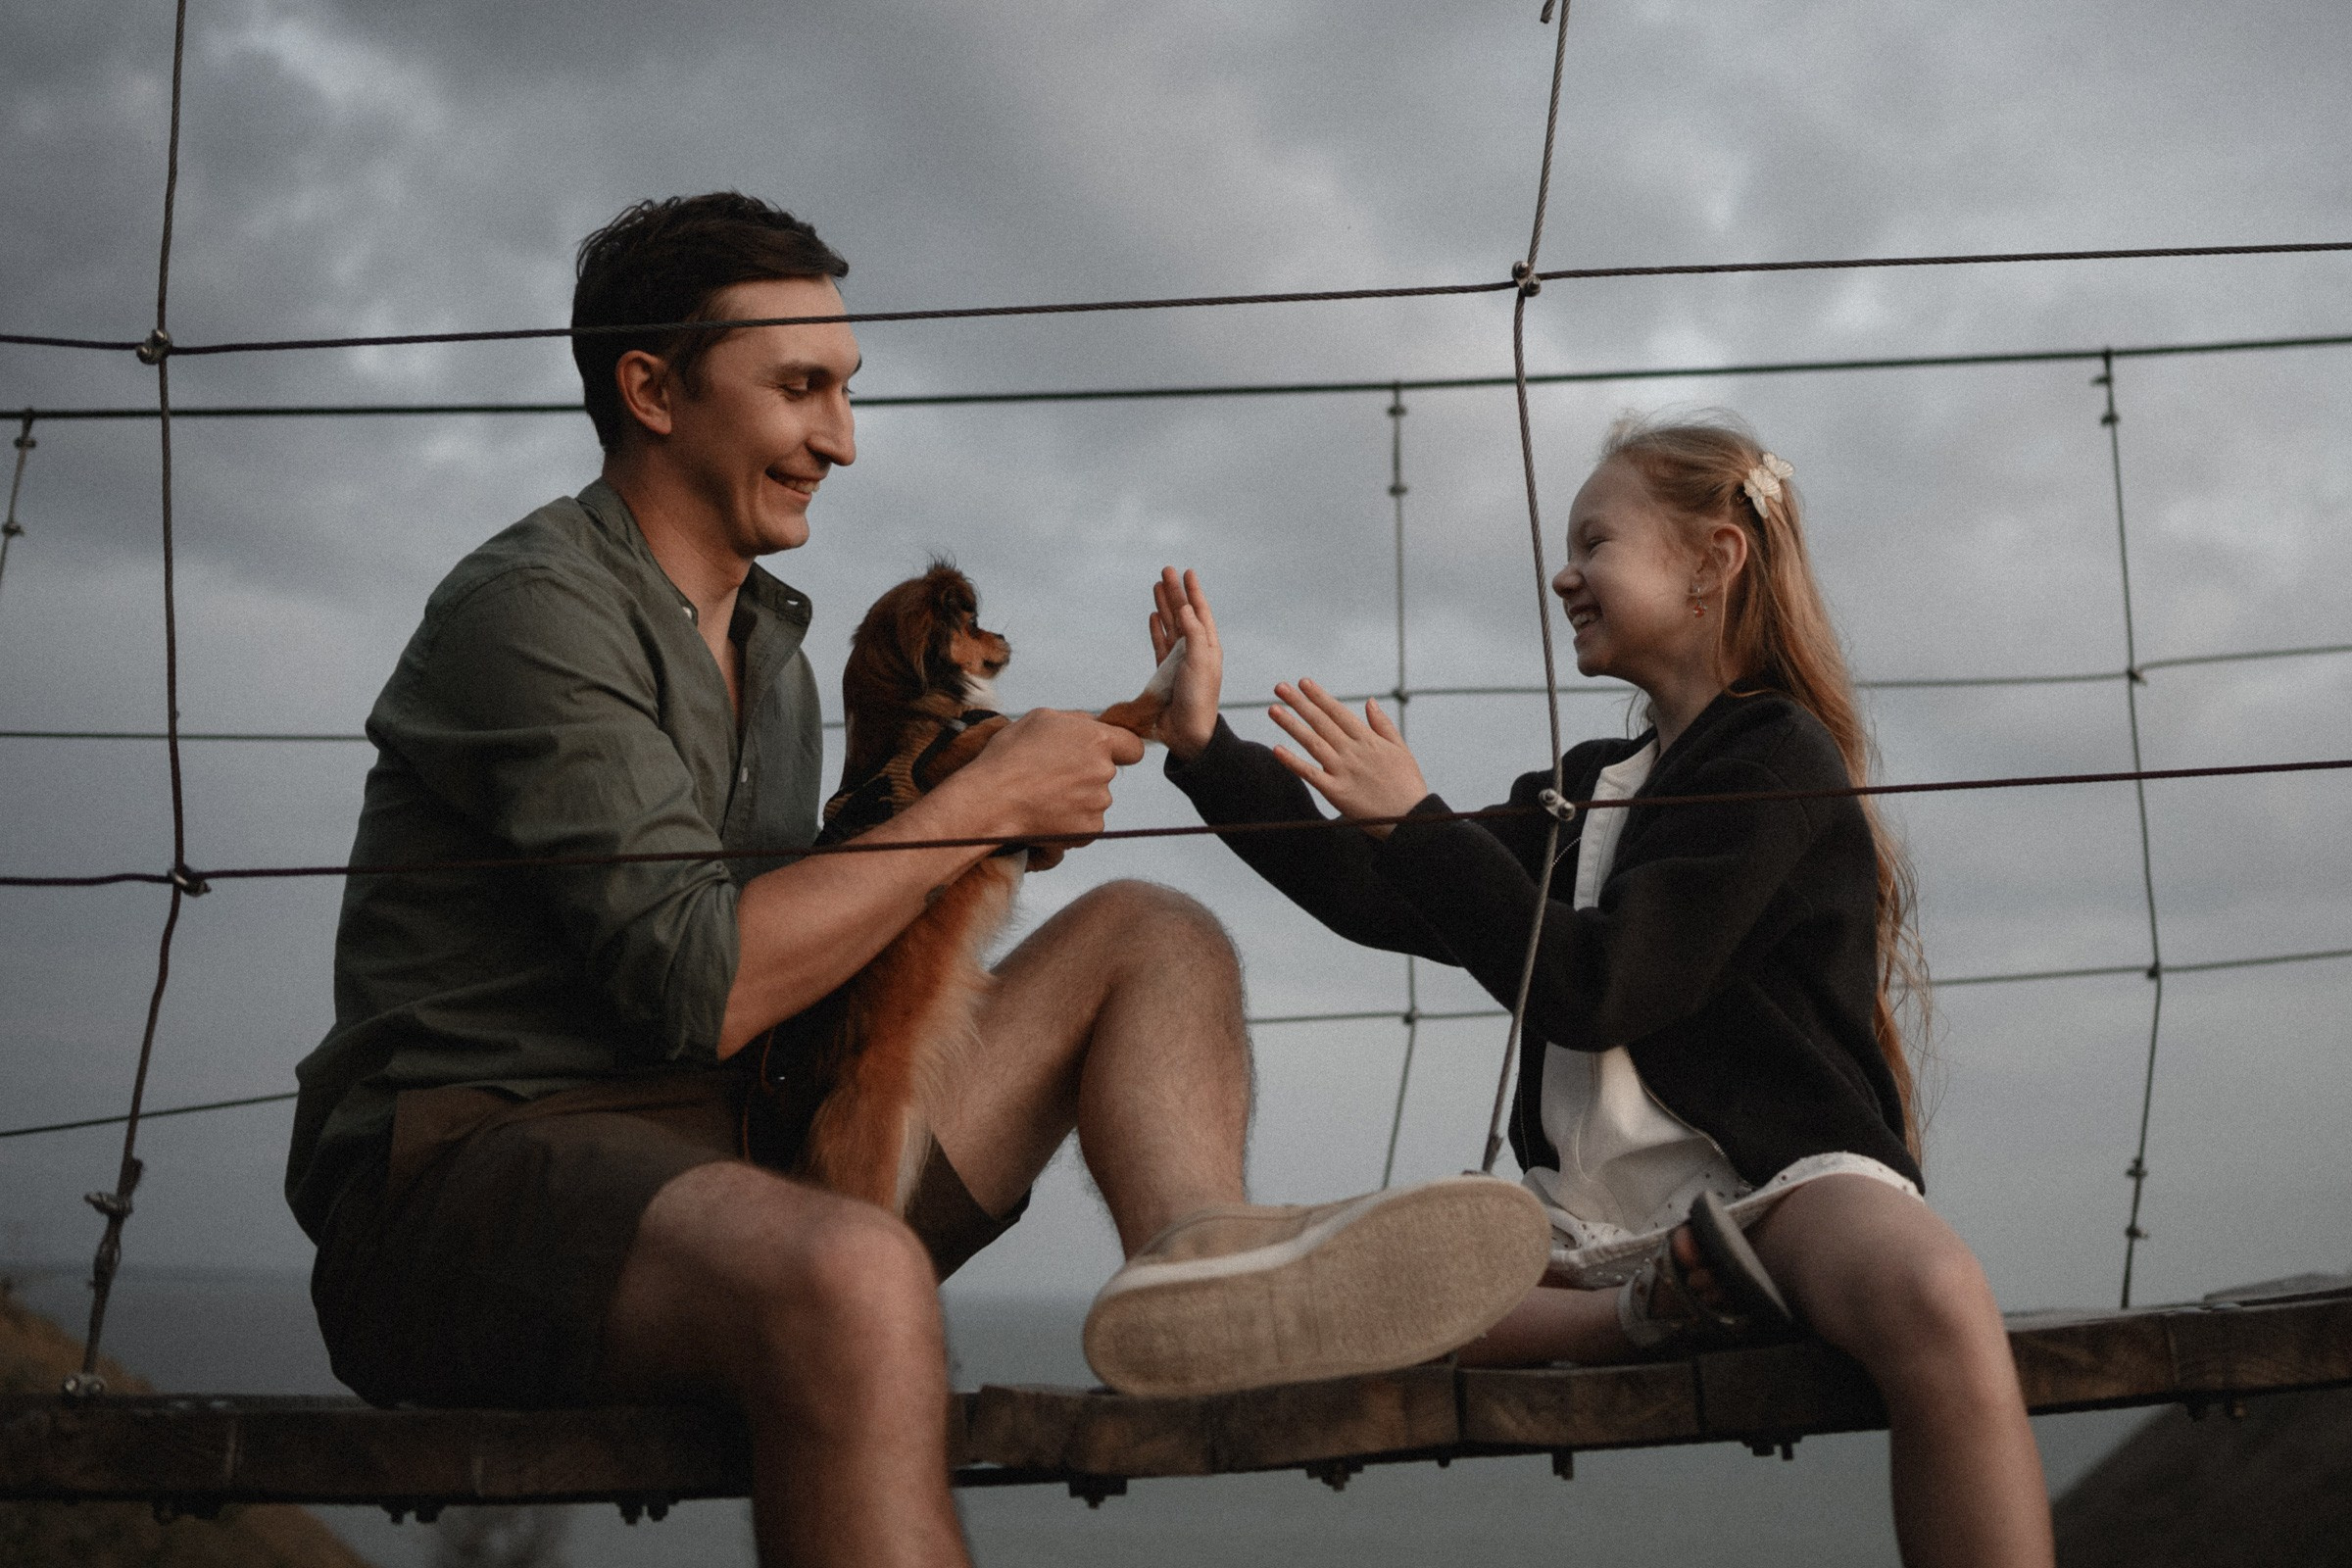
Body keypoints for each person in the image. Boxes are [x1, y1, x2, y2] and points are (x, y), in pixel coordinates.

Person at [284, 191, 1545, 1568]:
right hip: (472, 1190)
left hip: (741, 1147)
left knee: (1155, 932)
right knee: (857, 1274)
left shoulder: (769, 649)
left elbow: (822, 933)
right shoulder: (537, 612)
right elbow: (704, 982)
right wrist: (979, 806)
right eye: (799, 388)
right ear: (651, 390)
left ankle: (1202, 1259)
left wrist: (1021, 806)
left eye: (847, 389)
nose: (842, 438)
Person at [1149, 414, 2055, 1568]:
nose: (1563, 573)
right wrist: (1206, 748)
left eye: (1595, 541)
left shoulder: (1778, 755)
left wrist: (1418, 820)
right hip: (1585, 1222)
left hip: (1778, 1193)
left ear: (1713, 562)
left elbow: (1603, 987)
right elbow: (1377, 894)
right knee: (1381, 1281)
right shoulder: (1587, 787)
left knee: (1938, 1292)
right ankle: (1638, 1315)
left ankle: (1663, 1303)